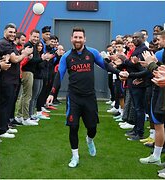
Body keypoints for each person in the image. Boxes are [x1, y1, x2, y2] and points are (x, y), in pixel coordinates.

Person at [46, 27, 127, 168]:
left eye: (80, 37)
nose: (77, 40)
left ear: (85, 39)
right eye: (75, 37)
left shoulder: (92, 53)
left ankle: (89, 140)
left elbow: (105, 65)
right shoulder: (66, 57)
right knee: (73, 127)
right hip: (74, 98)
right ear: (71, 38)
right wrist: (52, 93)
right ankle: (75, 156)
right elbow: (59, 75)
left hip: (89, 97)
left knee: (92, 128)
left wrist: (118, 72)